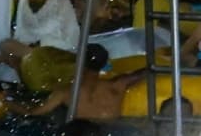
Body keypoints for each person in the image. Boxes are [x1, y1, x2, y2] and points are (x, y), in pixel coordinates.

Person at [10, 44, 148, 122]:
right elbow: (144, 73)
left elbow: (33, 112)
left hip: (82, 133)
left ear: (80, 62)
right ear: (104, 64)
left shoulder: (66, 92)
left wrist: (7, 103)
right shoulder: (117, 85)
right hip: (111, 129)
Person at [0, 0, 81, 73]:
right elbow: (20, 34)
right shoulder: (24, 3)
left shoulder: (63, 2)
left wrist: (41, 44)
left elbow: (72, 40)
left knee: (8, 49)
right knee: (5, 45)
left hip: (55, 53)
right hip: (27, 51)